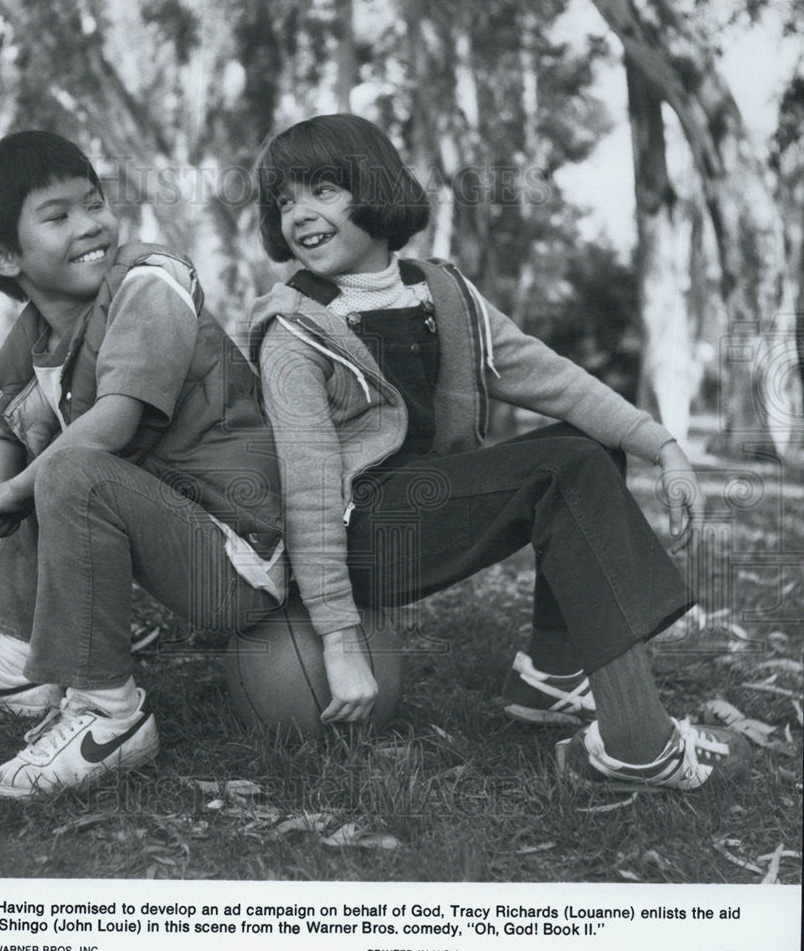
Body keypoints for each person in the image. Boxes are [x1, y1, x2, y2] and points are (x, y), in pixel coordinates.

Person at [242, 113, 748, 791]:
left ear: (377, 189)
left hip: (428, 499)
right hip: (359, 537)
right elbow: (305, 490)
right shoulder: (293, 332)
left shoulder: (442, 292)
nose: (300, 213)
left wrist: (663, 446)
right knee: (563, 470)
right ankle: (637, 745)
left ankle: (552, 673)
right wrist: (339, 636)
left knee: (588, 441)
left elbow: (552, 377)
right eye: (285, 201)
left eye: (323, 190)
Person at [0, 131, 284, 799]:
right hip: (179, 533)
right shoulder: (29, 343)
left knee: (70, 467)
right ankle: (23, 666)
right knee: (52, 466)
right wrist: (1, 482)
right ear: (4, 256)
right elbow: (9, 428)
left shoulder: (148, 284)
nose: (92, 225)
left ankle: (110, 713)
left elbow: (113, 422)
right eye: (58, 216)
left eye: (93, 203)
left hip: (242, 555)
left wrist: (25, 486)